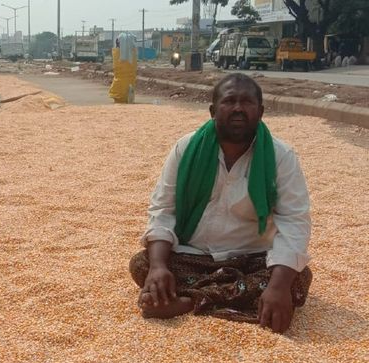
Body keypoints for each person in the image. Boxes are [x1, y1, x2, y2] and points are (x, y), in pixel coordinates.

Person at [129, 74, 312, 334]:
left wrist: (278, 286)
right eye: (230, 101)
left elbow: (294, 221)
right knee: (142, 265)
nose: (238, 108)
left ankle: (188, 302)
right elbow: (163, 209)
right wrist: (158, 267)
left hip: (253, 260)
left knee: (297, 279)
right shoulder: (186, 148)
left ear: (260, 112)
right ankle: (237, 302)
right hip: (194, 258)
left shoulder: (281, 156)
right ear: (213, 111)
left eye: (247, 102)